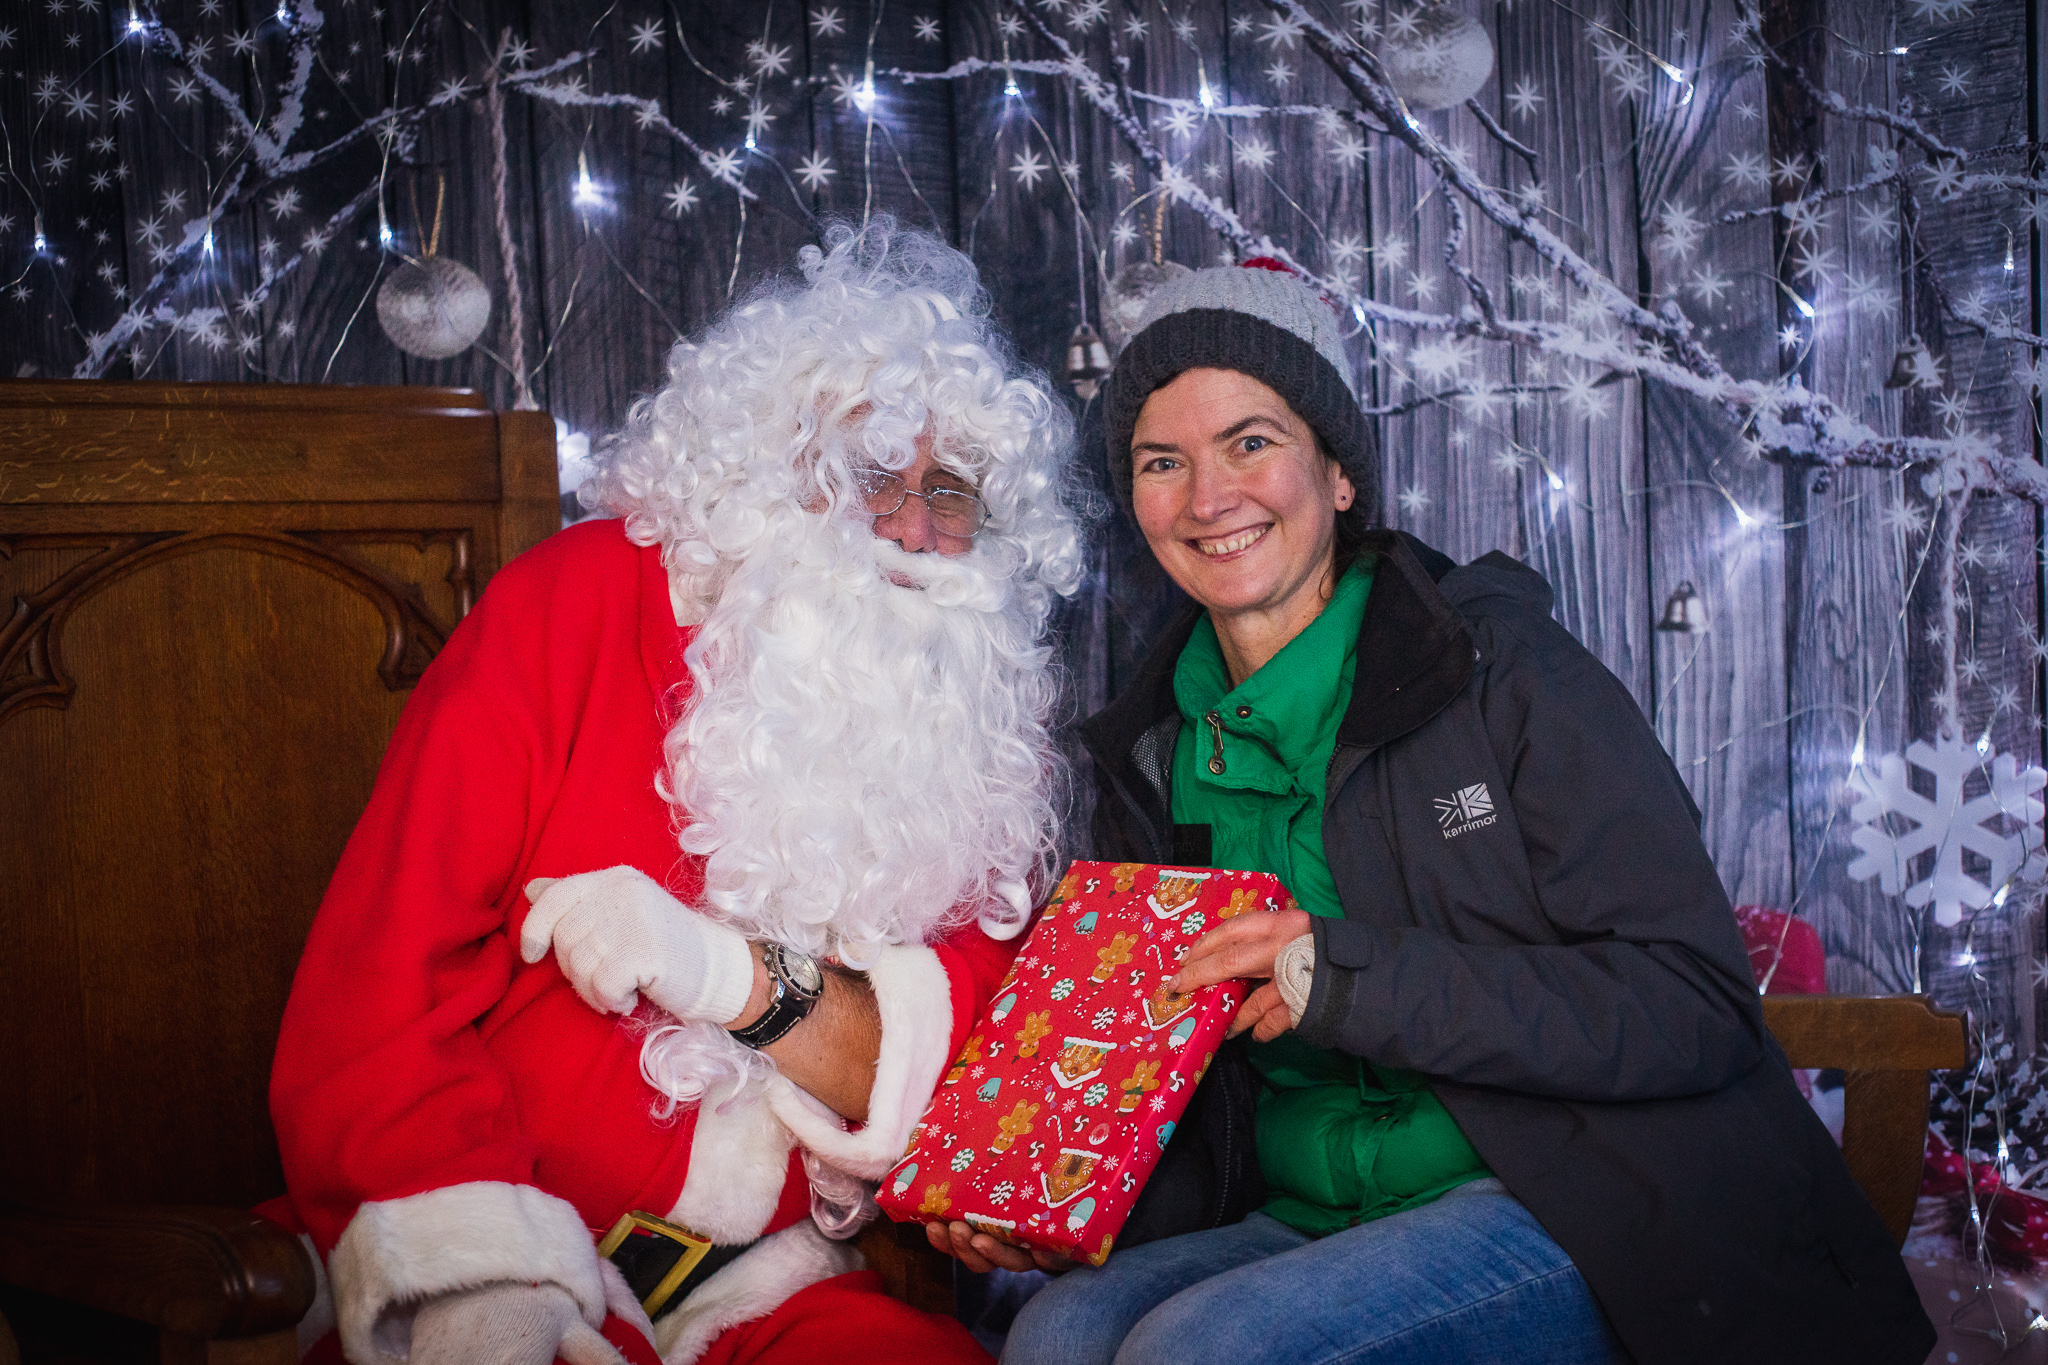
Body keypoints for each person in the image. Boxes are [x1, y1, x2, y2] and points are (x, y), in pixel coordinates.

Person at [939, 261, 1937, 1365]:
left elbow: (1690, 1002)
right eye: (1161, 461)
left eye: (1250, 442)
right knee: (1059, 1335)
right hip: (1318, 1206)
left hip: (1576, 1194)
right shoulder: (1148, 750)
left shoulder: (1501, 670)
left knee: (1205, 1352)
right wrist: (1049, 1197)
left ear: (1338, 474)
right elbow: (1186, 1094)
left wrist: (1342, 977)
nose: (1208, 498)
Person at [264, 221, 1083, 1365]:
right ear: (769, 464)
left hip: (770, 1283)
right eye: (868, 474)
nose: (908, 529)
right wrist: (485, 1277)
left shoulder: (971, 708)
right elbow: (383, 977)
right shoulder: (573, 604)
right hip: (510, 1251)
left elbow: (971, 1056)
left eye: (948, 493)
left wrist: (725, 975)